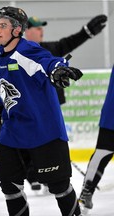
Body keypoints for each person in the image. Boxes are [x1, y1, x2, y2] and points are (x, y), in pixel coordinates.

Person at [0, 6, 83, 216]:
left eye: (3, 25)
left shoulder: (27, 50)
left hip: (43, 131)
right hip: (13, 133)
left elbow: (47, 61)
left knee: (59, 186)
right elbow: (5, 88)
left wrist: (57, 69)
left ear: (17, 30)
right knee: (9, 185)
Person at [24, 14, 108, 192]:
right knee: (31, 141)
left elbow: (68, 43)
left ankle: (48, 176)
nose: (41, 31)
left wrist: (87, 32)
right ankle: (33, 175)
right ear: (26, 31)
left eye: (42, 27)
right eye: (37, 28)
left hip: (51, 106)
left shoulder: (48, 49)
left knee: (51, 142)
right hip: (30, 108)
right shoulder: (18, 53)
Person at [79, 64, 114, 214]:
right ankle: (86, 191)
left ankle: (86, 191)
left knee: (101, 154)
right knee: (101, 154)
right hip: (112, 117)